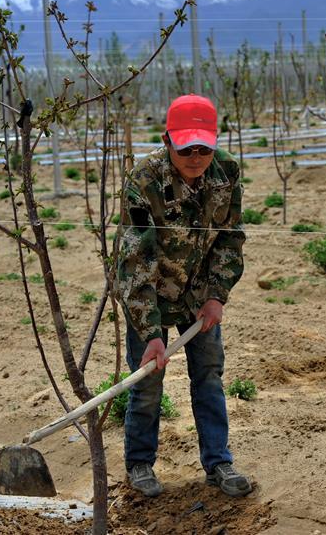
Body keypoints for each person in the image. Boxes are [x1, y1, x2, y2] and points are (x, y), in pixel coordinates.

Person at [116, 93, 251, 498]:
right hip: (151, 294)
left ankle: (218, 462)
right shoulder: (144, 181)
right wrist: (151, 331)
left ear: (215, 141)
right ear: (167, 139)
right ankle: (140, 465)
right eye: (186, 147)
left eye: (203, 148)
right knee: (148, 382)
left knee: (208, 376)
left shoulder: (226, 172)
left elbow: (230, 239)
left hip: (199, 293)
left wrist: (217, 295)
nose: (195, 157)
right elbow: (135, 259)